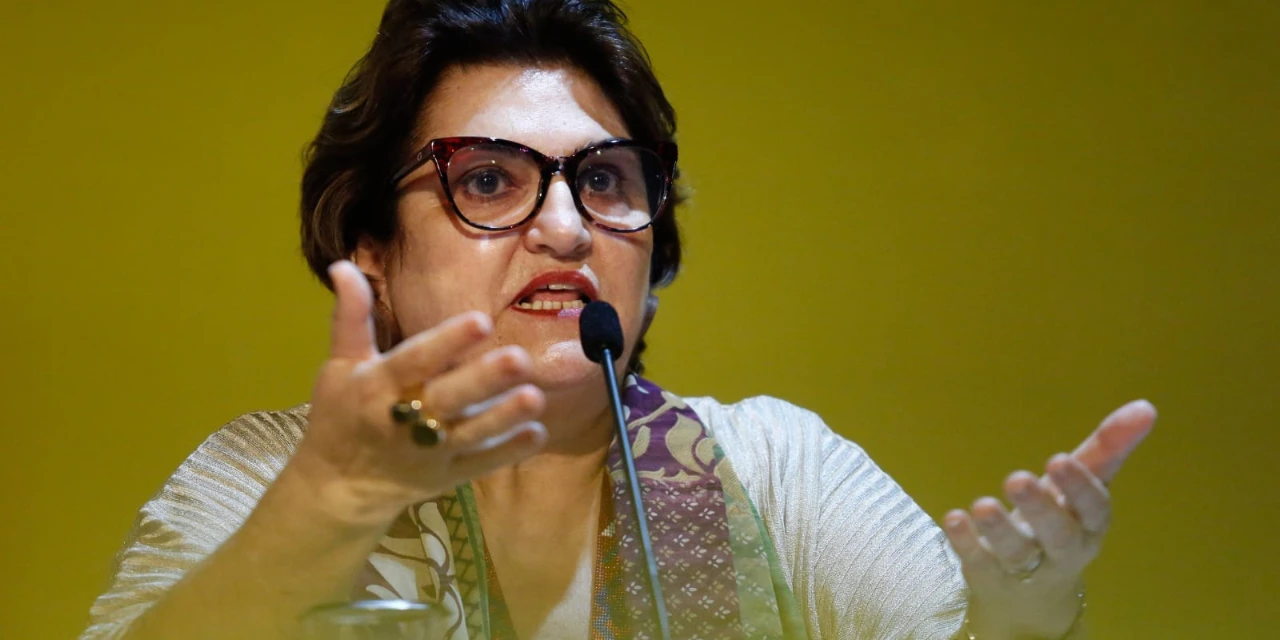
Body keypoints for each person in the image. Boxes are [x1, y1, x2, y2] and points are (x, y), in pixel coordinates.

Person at [81, 1, 1156, 639]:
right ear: (371, 247)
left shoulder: (782, 473)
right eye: (488, 179)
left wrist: (1021, 616)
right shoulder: (263, 478)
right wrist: (331, 501)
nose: (564, 228)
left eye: (602, 180)